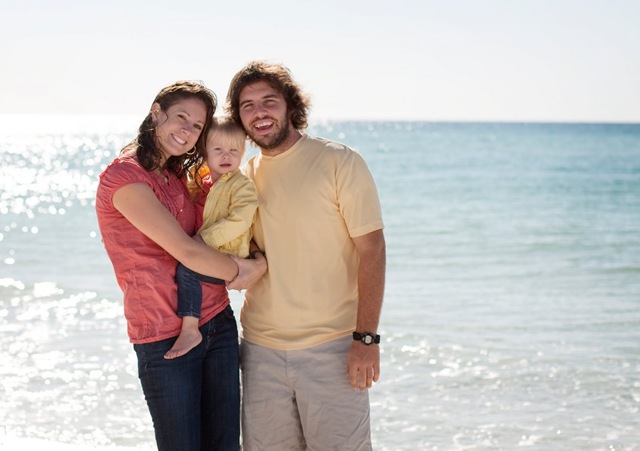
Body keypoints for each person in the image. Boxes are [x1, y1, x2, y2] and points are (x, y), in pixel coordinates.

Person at [95, 80, 266, 451]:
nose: (187, 130)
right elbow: (187, 252)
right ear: (157, 113)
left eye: (197, 125)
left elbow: (217, 223)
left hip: (217, 321)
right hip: (163, 335)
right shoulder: (124, 179)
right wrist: (245, 272)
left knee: (225, 445)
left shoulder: (178, 174)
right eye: (181, 117)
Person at [226, 61, 386, 450]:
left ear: (290, 104)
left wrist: (366, 339)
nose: (259, 112)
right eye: (247, 106)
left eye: (269, 101)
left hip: (332, 349)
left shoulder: (339, 161)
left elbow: (373, 250)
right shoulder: (243, 177)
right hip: (260, 352)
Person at [165, 116, 259, 360]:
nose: (226, 156)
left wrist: (203, 240)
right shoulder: (200, 179)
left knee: (188, 270)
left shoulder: (242, 186)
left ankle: (190, 329)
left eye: (234, 150)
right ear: (205, 151)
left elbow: (240, 220)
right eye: (218, 150)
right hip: (206, 249)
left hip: (228, 255)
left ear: (243, 152)